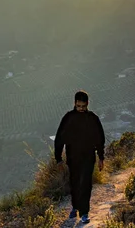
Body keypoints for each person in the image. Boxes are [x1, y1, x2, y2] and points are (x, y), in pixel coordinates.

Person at [54, 90, 105, 224]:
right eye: (79, 106)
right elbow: (59, 138)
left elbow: (100, 139)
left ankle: (84, 212)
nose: (81, 109)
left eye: (83, 106)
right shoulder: (68, 118)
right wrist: (58, 159)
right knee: (75, 182)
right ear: (75, 103)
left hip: (88, 156)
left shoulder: (93, 118)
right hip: (73, 157)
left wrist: (101, 157)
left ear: (87, 104)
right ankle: (75, 206)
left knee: (86, 183)